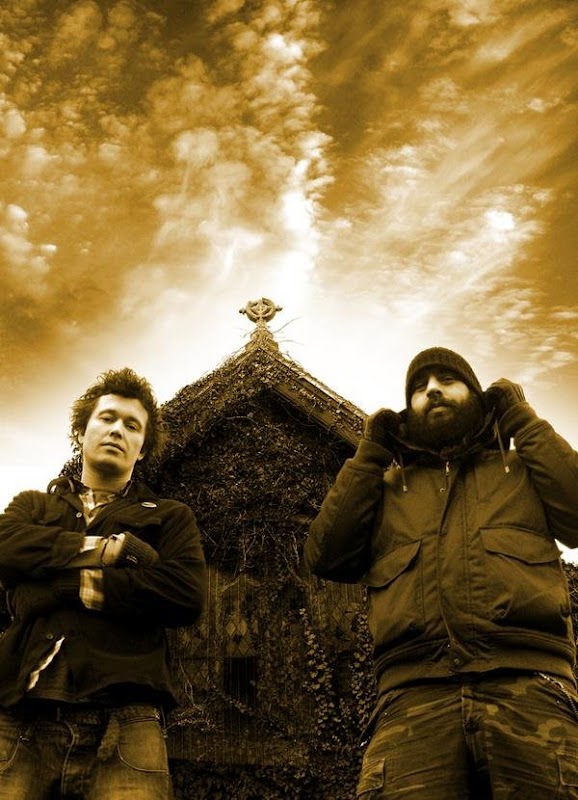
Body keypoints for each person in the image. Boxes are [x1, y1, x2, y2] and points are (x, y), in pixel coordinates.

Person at [303, 347, 578, 799]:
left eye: (448, 380)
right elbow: (327, 556)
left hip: (531, 689)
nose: (432, 390)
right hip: (413, 700)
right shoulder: (386, 489)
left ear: (478, 396)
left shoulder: (521, 470)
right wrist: (370, 453)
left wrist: (522, 420)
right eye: (418, 387)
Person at [0, 367, 207, 800]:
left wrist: (61, 588)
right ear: (81, 432)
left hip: (126, 725)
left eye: (132, 426)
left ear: (142, 449)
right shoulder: (34, 507)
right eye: (107, 418)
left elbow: (184, 593)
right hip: (19, 718)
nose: (117, 430)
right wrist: (110, 551)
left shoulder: (169, 517)